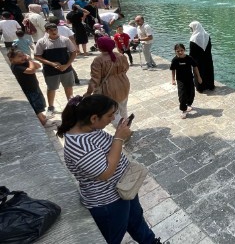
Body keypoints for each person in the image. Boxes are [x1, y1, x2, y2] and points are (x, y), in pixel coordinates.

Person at [56, 95, 162, 244]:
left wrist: (119, 134)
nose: (112, 119)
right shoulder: (78, 145)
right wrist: (119, 137)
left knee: (137, 221)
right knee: (113, 237)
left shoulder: (91, 129)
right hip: (108, 202)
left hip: (123, 190)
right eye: (109, 115)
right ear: (94, 118)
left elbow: (108, 151)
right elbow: (105, 173)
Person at [34, 23, 77, 119]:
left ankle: (71, 106)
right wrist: (51, 64)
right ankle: (51, 107)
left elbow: (73, 52)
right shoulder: (42, 42)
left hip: (66, 69)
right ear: (46, 31)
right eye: (51, 30)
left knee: (68, 87)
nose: (53, 32)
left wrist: (67, 65)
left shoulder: (65, 40)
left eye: (55, 30)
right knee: (51, 88)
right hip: (50, 70)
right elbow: (37, 56)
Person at [85, 37, 131, 127]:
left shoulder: (98, 60)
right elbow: (126, 68)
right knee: (123, 107)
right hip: (123, 84)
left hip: (108, 88)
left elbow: (95, 80)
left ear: (99, 47)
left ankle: (123, 130)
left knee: (111, 112)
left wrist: (88, 93)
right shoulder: (121, 56)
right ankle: (126, 126)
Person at [8, 48, 56, 127]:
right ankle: (43, 122)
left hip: (34, 87)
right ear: (12, 59)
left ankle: (43, 117)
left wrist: (29, 60)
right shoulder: (16, 67)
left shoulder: (24, 63)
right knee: (35, 107)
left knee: (39, 104)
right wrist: (29, 60)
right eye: (20, 56)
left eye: (23, 55)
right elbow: (31, 70)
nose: (23, 57)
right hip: (28, 90)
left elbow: (38, 66)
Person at [170, 43, 202, 119]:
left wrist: (199, 77)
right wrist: (173, 79)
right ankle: (184, 110)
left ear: (184, 50)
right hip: (180, 80)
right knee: (182, 95)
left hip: (189, 78)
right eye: (178, 51)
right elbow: (173, 70)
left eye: (182, 50)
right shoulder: (175, 60)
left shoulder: (189, 58)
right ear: (175, 51)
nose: (180, 52)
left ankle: (189, 104)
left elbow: (195, 67)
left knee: (191, 93)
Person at [188, 21, 215, 92]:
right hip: (208, 58)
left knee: (199, 72)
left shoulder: (193, 39)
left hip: (198, 60)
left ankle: (200, 87)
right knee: (208, 71)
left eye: (191, 28)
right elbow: (209, 48)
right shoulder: (207, 35)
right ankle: (210, 86)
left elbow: (192, 52)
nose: (191, 30)